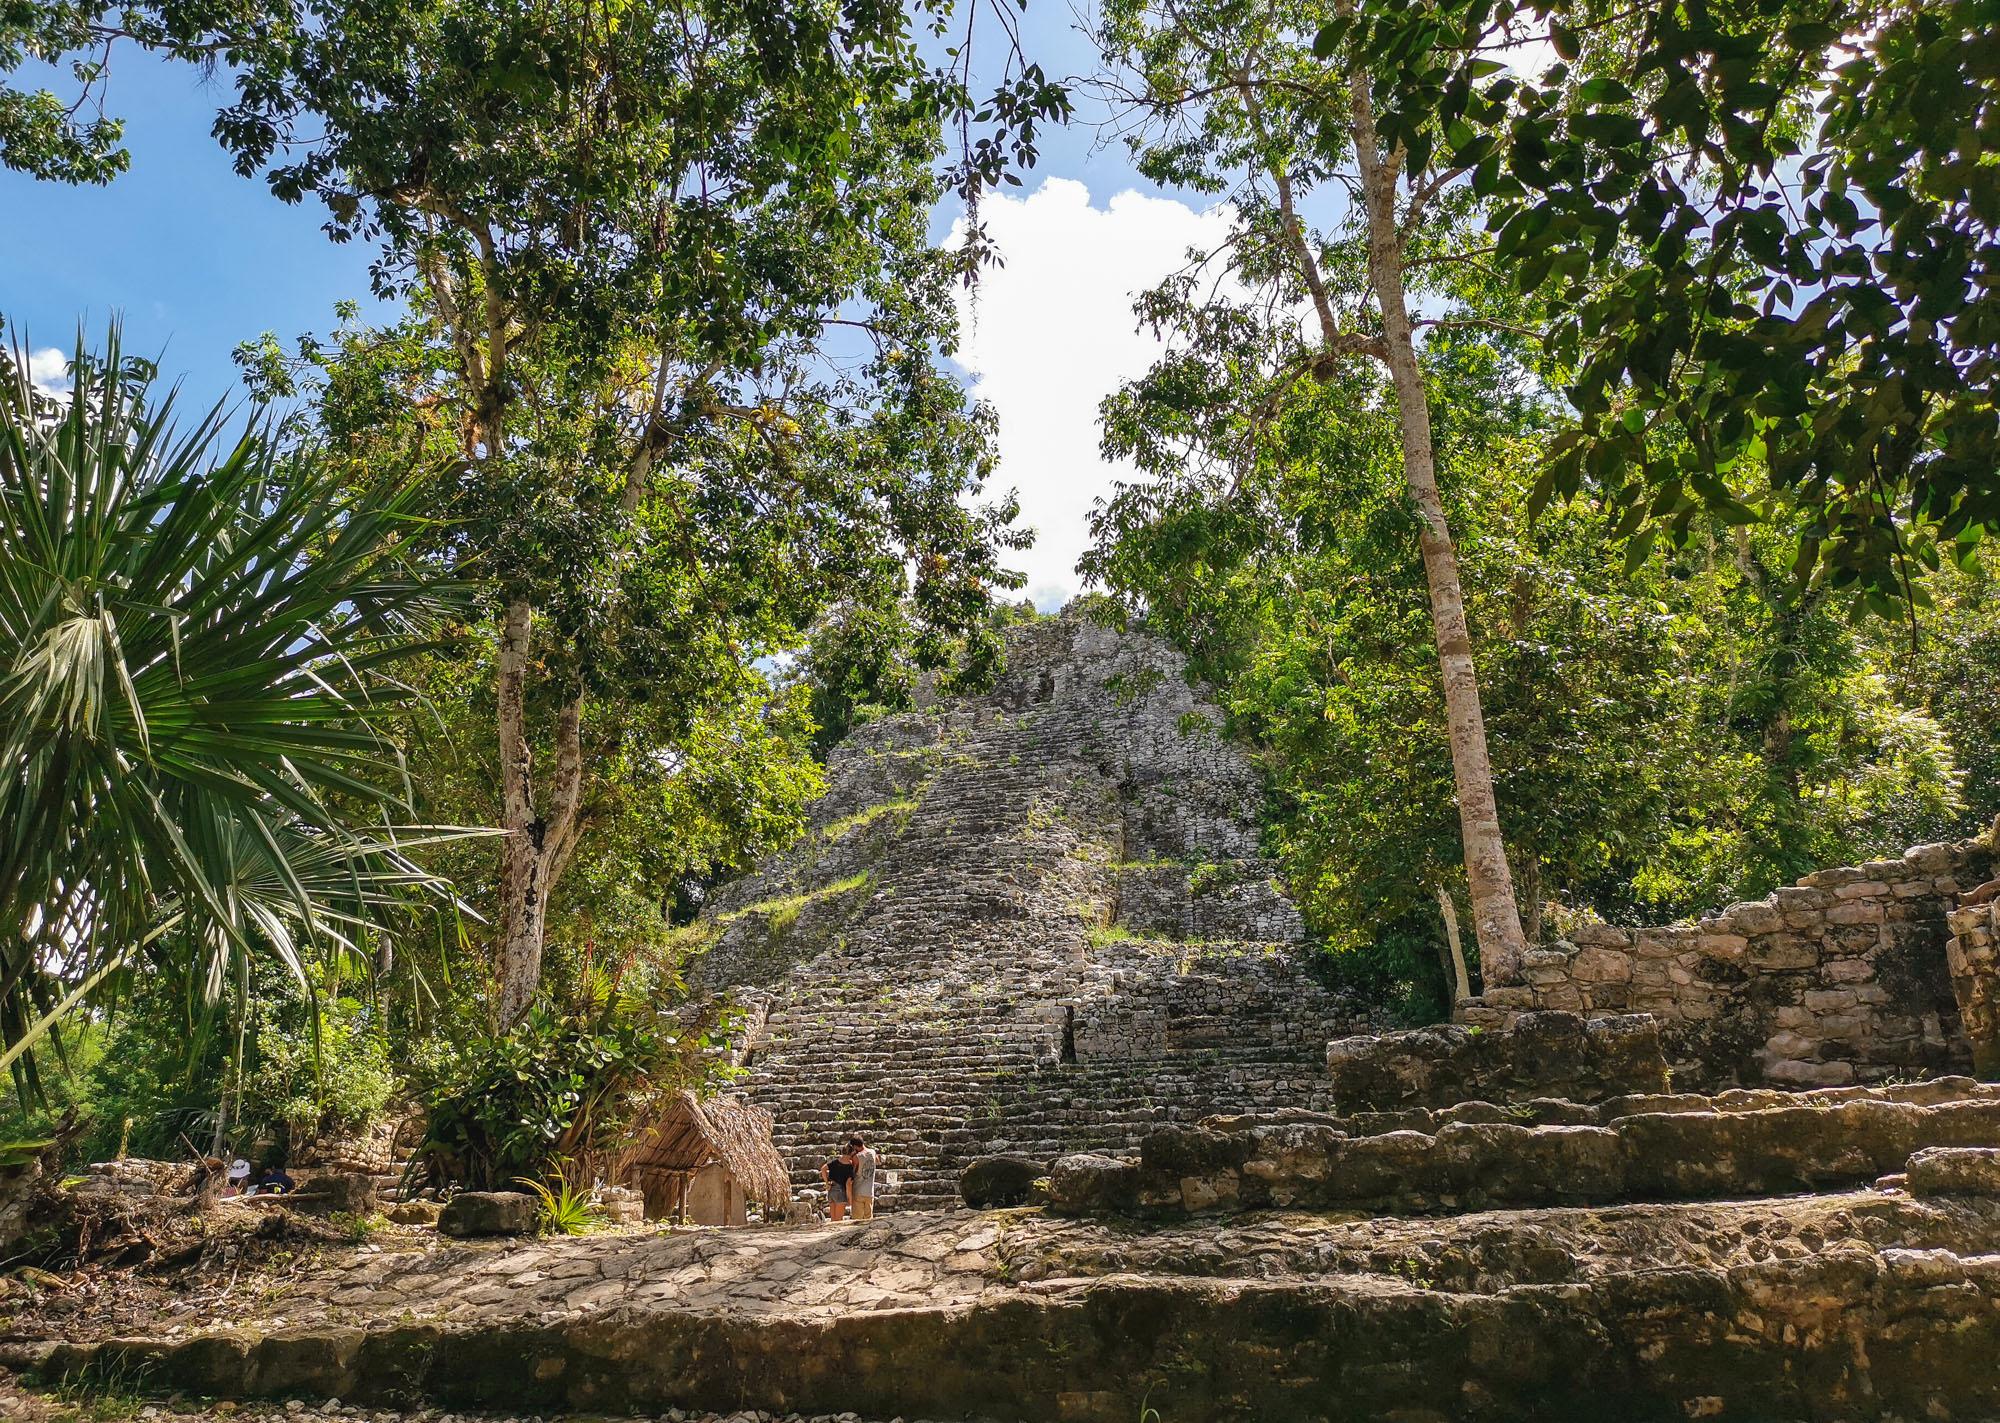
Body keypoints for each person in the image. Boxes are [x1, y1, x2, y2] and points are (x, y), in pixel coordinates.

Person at [848, 1134, 880, 1220]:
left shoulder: (856, 1157)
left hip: (858, 1191)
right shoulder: (872, 1152)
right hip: (869, 1192)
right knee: (868, 1220)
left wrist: (851, 1157)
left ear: (854, 1146)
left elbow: (852, 1173)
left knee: (857, 1221)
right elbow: (877, 1161)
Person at [822, 1144, 857, 1222]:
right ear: (851, 1153)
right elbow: (848, 1184)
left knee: (833, 1220)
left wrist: (827, 1182)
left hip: (831, 1190)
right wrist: (850, 1199)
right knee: (838, 1221)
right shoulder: (849, 1167)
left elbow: (823, 1169)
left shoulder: (835, 1162)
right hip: (840, 1192)